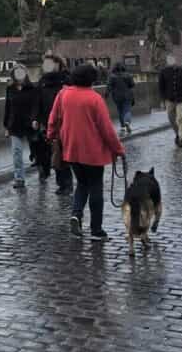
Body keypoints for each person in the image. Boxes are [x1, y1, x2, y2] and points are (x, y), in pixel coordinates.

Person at [47, 63, 125, 242]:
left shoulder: (63, 94)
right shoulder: (94, 98)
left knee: (82, 183)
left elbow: (53, 119)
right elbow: (106, 129)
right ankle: (96, 230)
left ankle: (76, 214)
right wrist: (118, 150)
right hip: (93, 151)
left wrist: (51, 136)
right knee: (96, 186)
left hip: (71, 149)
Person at [35, 54, 70, 192]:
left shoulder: (66, 80)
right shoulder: (42, 81)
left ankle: (66, 183)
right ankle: (61, 182)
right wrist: (36, 119)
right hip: (49, 122)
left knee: (64, 153)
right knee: (55, 153)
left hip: (65, 121)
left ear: (58, 64)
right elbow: (37, 102)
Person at [3, 64, 40, 189]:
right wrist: (6, 126)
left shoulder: (32, 88)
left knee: (37, 150)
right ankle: (19, 178)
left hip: (29, 123)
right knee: (17, 152)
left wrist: (35, 119)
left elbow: (35, 106)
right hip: (15, 124)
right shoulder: (10, 89)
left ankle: (42, 168)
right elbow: (8, 107)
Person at [158, 54, 182, 147]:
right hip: (169, 99)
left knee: (181, 118)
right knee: (171, 118)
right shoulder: (163, 72)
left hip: (181, 98)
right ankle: (178, 133)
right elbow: (161, 87)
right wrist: (162, 100)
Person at [107, 63, 135, 134]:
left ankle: (122, 126)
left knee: (120, 111)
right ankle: (127, 122)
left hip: (116, 96)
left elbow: (109, 86)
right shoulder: (128, 75)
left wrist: (107, 93)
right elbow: (132, 85)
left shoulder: (112, 77)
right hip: (127, 95)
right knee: (127, 110)